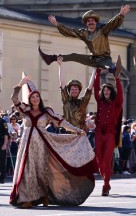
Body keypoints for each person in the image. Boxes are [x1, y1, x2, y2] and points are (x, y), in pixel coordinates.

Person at [9, 75, 97, 208]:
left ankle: (43, 196)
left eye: (37, 96)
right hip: (26, 144)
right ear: (29, 99)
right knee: (27, 170)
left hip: (42, 144)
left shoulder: (47, 112)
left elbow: (62, 122)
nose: (35, 99)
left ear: (40, 98)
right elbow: (14, 98)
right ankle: (26, 198)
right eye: (33, 97)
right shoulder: (25, 110)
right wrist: (20, 84)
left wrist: (76, 131)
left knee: (40, 170)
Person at [38, 5, 131, 78]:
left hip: (104, 58)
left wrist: (121, 15)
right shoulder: (83, 33)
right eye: (89, 21)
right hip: (93, 59)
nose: (91, 22)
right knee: (74, 56)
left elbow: (112, 23)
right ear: (86, 23)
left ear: (96, 22)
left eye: (93, 21)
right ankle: (50, 58)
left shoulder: (103, 30)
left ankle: (114, 69)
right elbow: (70, 31)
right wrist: (56, 24)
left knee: (109, 64)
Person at [93, 66, 123, 196]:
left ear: (111, 92)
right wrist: (98, 72)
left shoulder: (116, 103)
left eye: (108, 90)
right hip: (99, 133)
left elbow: (121, 93)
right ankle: (106, 180)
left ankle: (105, 186)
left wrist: (117, 78)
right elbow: (95, 88)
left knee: (107, 159)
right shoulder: (100, 102)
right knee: (99, 160)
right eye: (104, 90)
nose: (105, 91)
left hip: (110, 134)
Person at [57, 57, 96, 130]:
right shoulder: (66, 100)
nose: (74, 91)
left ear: (79, 91)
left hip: (80, 134)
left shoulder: (83, 102)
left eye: (76, 89)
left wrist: (94, 70)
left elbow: (89, 88)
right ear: (69, 91)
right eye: (72, 89)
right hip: (67, 134)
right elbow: (62, 84)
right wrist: (60, 65)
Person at [0, 114, 9, 184]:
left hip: (1, 144)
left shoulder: (3, 122)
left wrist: (5, 144)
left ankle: (2, 178)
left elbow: (6, 133)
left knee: (2, 161)